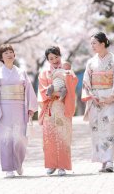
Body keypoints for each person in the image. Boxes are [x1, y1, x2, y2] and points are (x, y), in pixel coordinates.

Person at [0, 44, 38, 178]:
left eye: (11, 52)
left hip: (19, 108)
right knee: (5, 138)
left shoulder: (22, 73)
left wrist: (31, 108)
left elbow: (29, 91)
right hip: (3, 109)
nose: (9, 54)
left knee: (20, 138)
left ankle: (18, 163)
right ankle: (9, 168)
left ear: (14, 55)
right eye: (6, 53)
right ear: (1, 57)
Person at [81, 32, 114, 173]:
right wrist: (92, 96)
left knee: (109, 128)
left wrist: (111, 97)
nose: (92, 46)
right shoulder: (91, 62)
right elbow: (86, 81)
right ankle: (103, 161)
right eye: (91, 43)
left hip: (109, 98)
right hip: (95, 100)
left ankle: (110, 160)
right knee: (97, 129)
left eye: (94, 43)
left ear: (103, 43)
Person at [37, 46, 78, 176]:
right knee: (49, 136)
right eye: (51, 58)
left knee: (63, 135)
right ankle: (51, 165)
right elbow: (43, 91)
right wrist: (56, 92)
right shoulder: (44, 73)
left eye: (56, 57)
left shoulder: (68, 71)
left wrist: (58, 91)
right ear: (47, 60)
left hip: (62, 106)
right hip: (50, 107)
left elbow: (72, 86)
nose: (54, 60)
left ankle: (62, 166)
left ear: (60, 56)